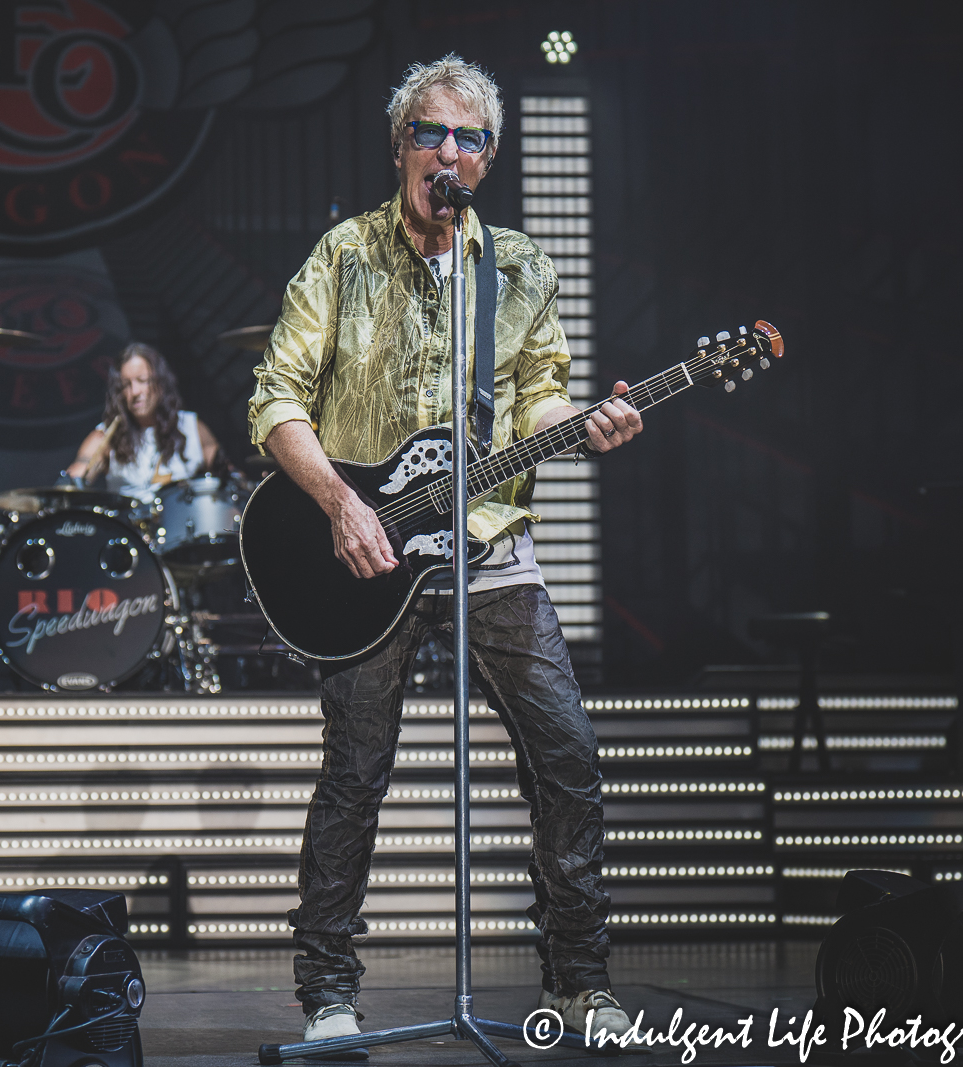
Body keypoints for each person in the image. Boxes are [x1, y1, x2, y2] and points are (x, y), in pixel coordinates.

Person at [248, 55, 643, 1049]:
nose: (449, 151)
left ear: (491, 156)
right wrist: (342, 502)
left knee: (568, 755)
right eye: (431, 132)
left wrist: (584, 422)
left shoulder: (516, 265)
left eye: (468, 137)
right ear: (400, 146)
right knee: (355, 772)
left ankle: (579, 981)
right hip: (368, 549)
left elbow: (538, 395)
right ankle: (329, 989)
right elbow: (275, 401)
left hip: (487, 541)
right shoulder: (343, 255)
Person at [65, 342, 221, 502]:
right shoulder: (107, 436)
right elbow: (75, 478)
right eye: (126, 385)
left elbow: (228, 478)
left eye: (142, 380)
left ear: (160, 383)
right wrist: (71, 482)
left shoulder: (192, 427)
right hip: (127, 524)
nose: (135, 392)